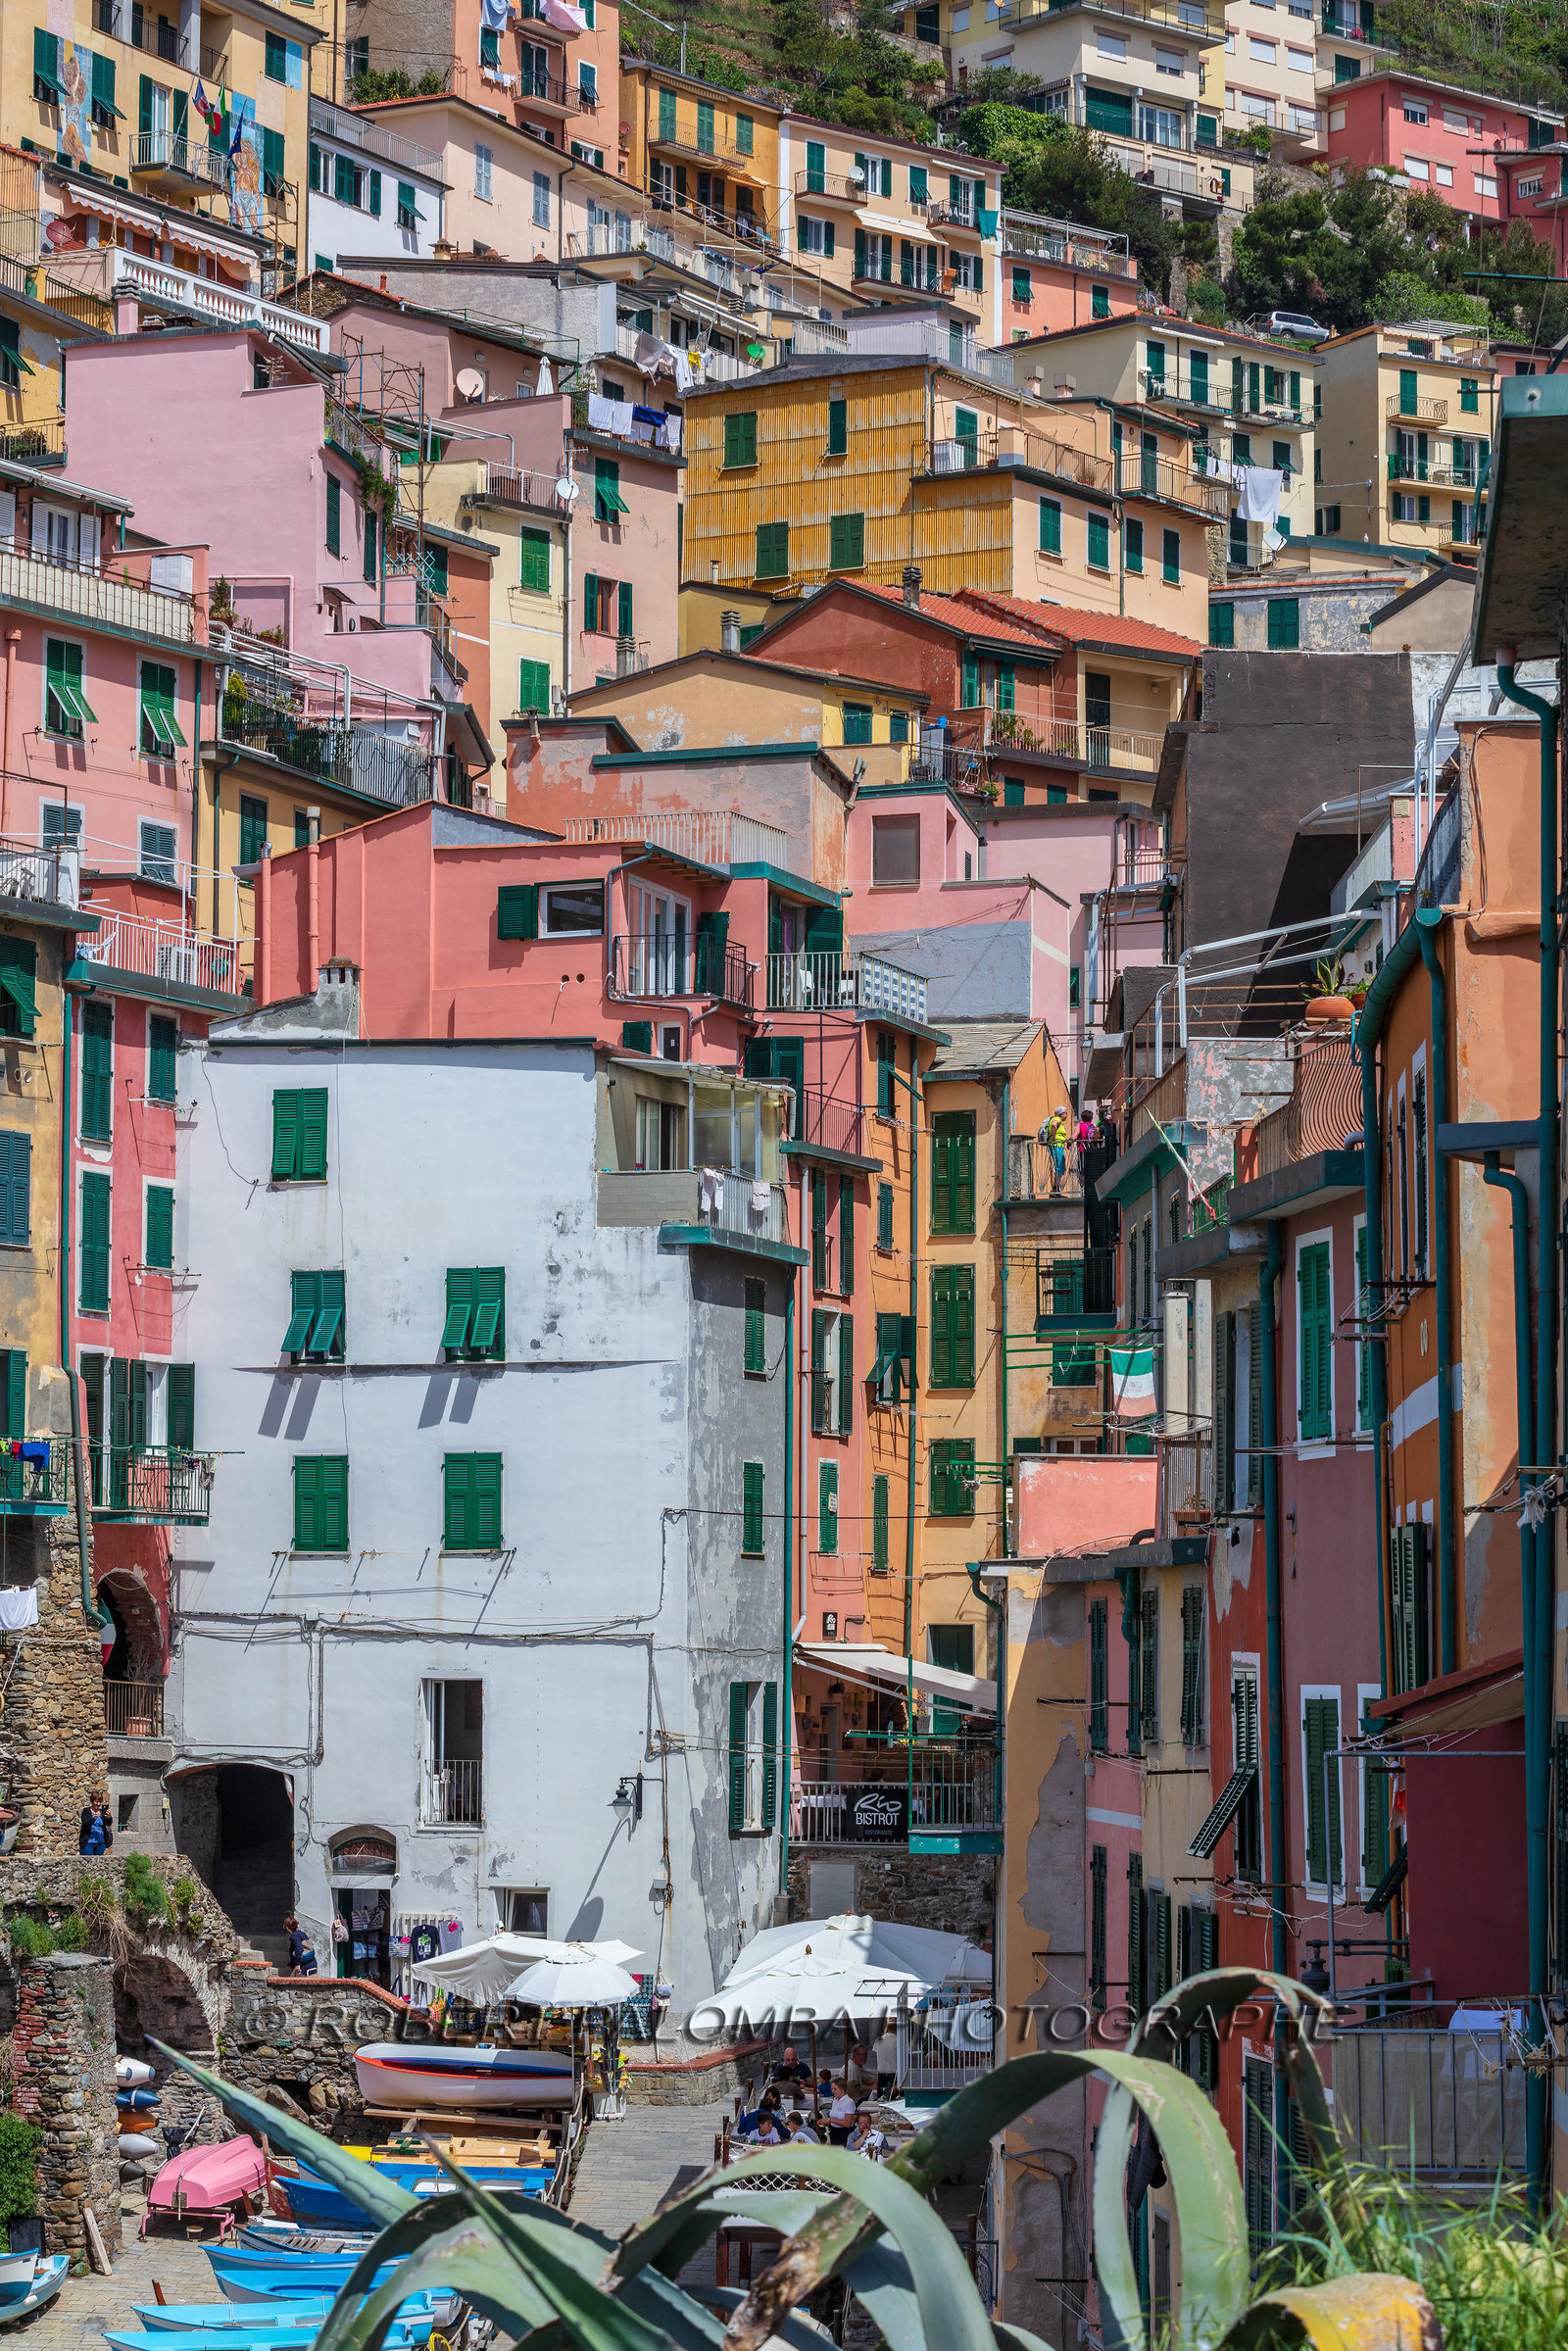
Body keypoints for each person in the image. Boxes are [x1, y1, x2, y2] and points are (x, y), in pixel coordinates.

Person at [1043, 1105, 1071, 1194]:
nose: (1066, 1116)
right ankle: (1055, 1190)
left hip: (1058, 1146)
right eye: (1065, 1113)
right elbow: (1054, 1125)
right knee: (1059, 1166)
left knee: (1060, 1167)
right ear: (1060, 1114)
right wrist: (1054, 1139)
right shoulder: (1057, 1119)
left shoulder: (1059, 1121)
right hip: (1056, 1146)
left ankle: (1056, 1188)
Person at [78, 1792, 113, 1857]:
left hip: (100, 1843)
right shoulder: (86, 1811)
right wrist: (93, 1819)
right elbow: (85, 1824)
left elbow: (108, 1823)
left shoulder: (102, 1812)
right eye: (96, 1802)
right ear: (92, 1801)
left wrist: (109, 1817)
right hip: (88, 1843)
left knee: (99, 1862)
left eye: (100, 1802)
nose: (98, 1804)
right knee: (87, 1861)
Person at [826, 2080, 857, 2146]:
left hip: (844, 2133)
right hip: (834, 2132)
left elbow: (848, 2123)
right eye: (832, 2089)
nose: (833, 2091)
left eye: (835, 2089)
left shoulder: (848, 2102)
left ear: (842, 2089)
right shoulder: (835, 2101)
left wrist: (831, 2120)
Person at [871, 2024, 898, 2096]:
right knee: (895, 2098)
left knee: (881, 2097)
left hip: (882, 2073)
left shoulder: (878, 2040)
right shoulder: (898, 2040)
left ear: (887, 2029)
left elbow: (875, 2050)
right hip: (894, 2074)